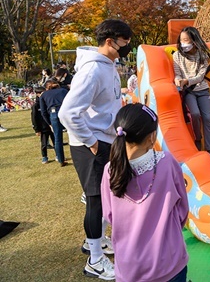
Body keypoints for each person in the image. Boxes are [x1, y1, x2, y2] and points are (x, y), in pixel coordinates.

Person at [59, 19, 133, 280]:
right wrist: (90, 141)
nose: (128, 47)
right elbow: (68, 112)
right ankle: (95, 260)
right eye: (125, 42)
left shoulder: (109, 65)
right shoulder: (92, 70)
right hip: (91, 144)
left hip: (106, 140)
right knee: (95, 200)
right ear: (111, 41)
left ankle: (98, 242)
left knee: (106, 196)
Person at [100, 104, 189, 282]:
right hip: (169, 262)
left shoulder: (109, 170)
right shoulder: (167, 163)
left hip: (129, 268)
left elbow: (109, 215)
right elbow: (182, 209)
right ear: (152, 137)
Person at [173, 26, 210, 155]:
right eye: (181, 40)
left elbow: (201, 76)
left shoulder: (202, 55)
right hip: (189, 92)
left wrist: (187, 81)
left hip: (202, 90)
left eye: (186, 40)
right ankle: (198, 137)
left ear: (194, 40)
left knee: (207, 118)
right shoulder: (177, 55)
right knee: (195, 114)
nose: (183, 43)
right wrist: (178, 80)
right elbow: (177, 73)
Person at [40, 79, 68, 167]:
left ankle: (61, 159)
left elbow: (43, 112)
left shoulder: (44, 95)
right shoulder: (63, 91)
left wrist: (49, 123)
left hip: (53, 113)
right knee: (74, 135)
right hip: (65, 112)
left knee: (57, 138)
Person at [31, 86, 55, 164]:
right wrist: (37, 129)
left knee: (56, 142)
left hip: (52, 125)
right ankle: (44, 157)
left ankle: (58, 155)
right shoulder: (36, 106)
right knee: (44, 143)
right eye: (42, 93)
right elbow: (34, 118)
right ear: (38, 94)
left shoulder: (48, 102)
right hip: (43, 128)